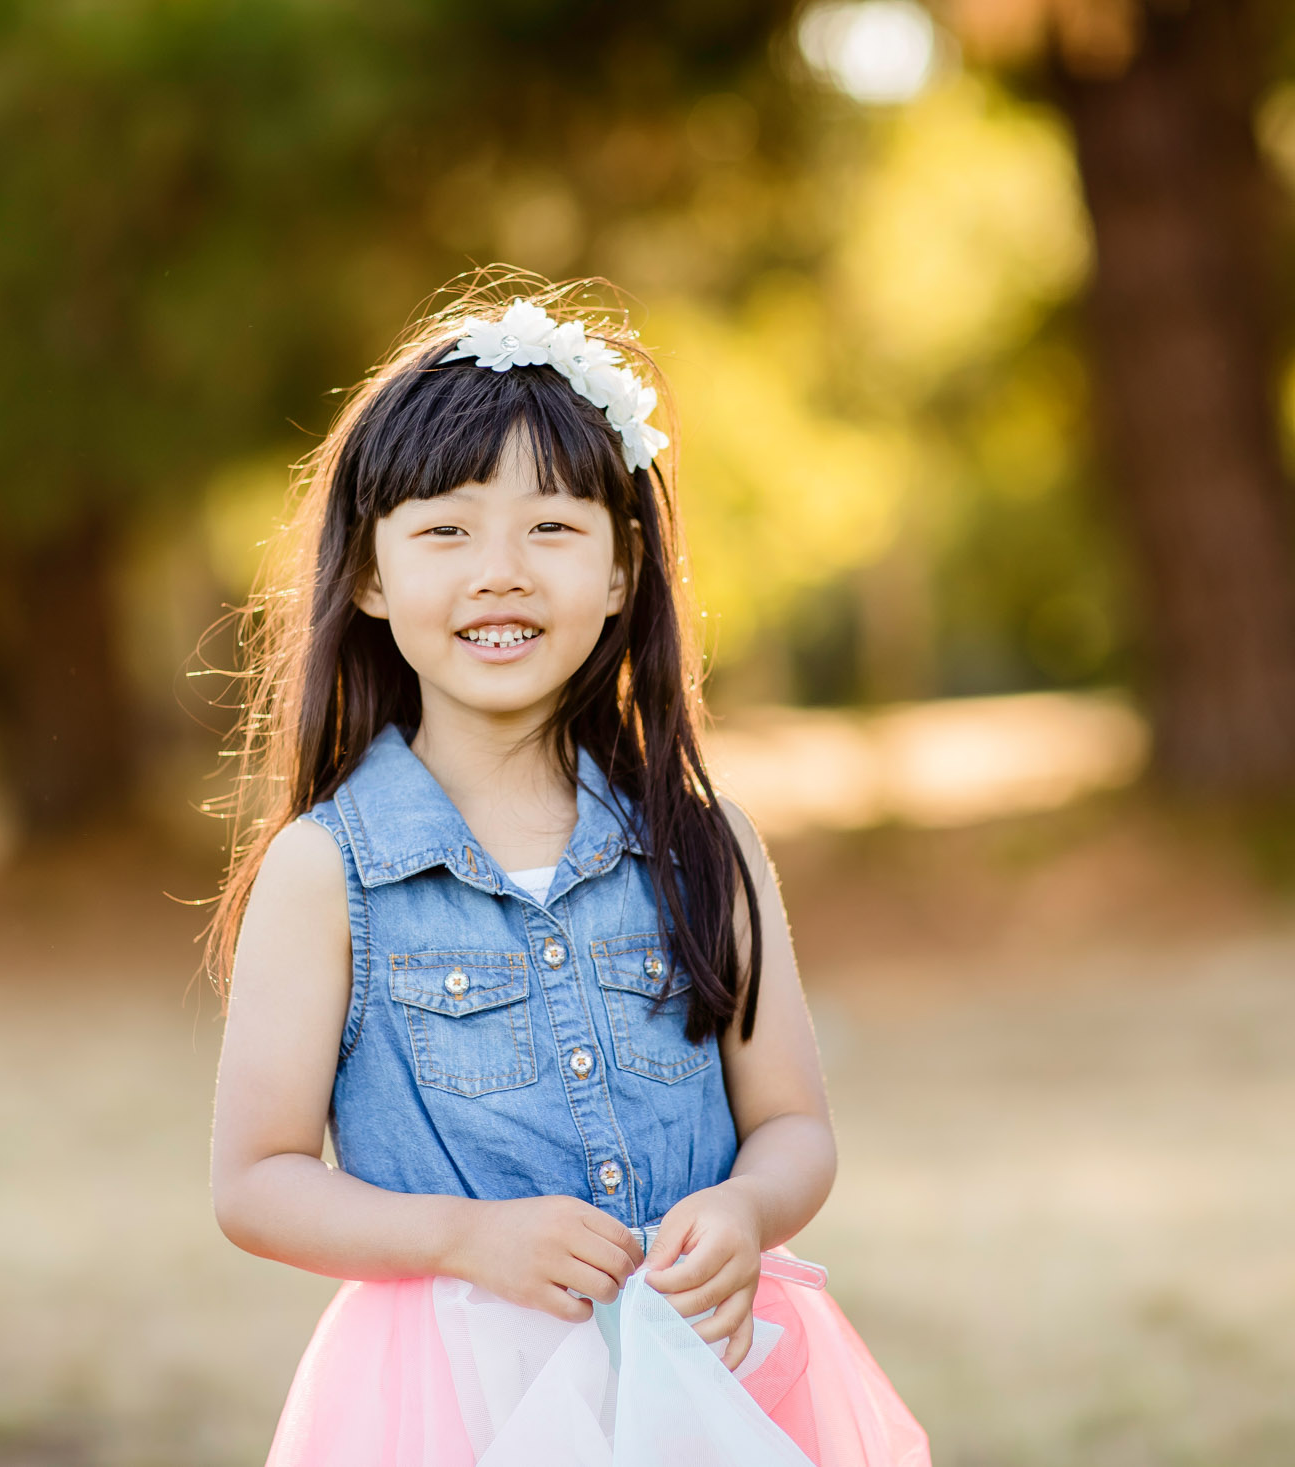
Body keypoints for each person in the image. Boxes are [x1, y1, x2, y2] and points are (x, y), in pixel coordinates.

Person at [206, 280, 929, 1467]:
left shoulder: (706, 847)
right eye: (445, 530)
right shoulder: (324, 872)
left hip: (703, 1371)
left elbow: (793, 1124)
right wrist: (463, 1239)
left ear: (619, 568)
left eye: (551, 527)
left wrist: (745, 1211)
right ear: (373, 577)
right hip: (452, 1394)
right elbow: (256, 1181)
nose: (500, 571)